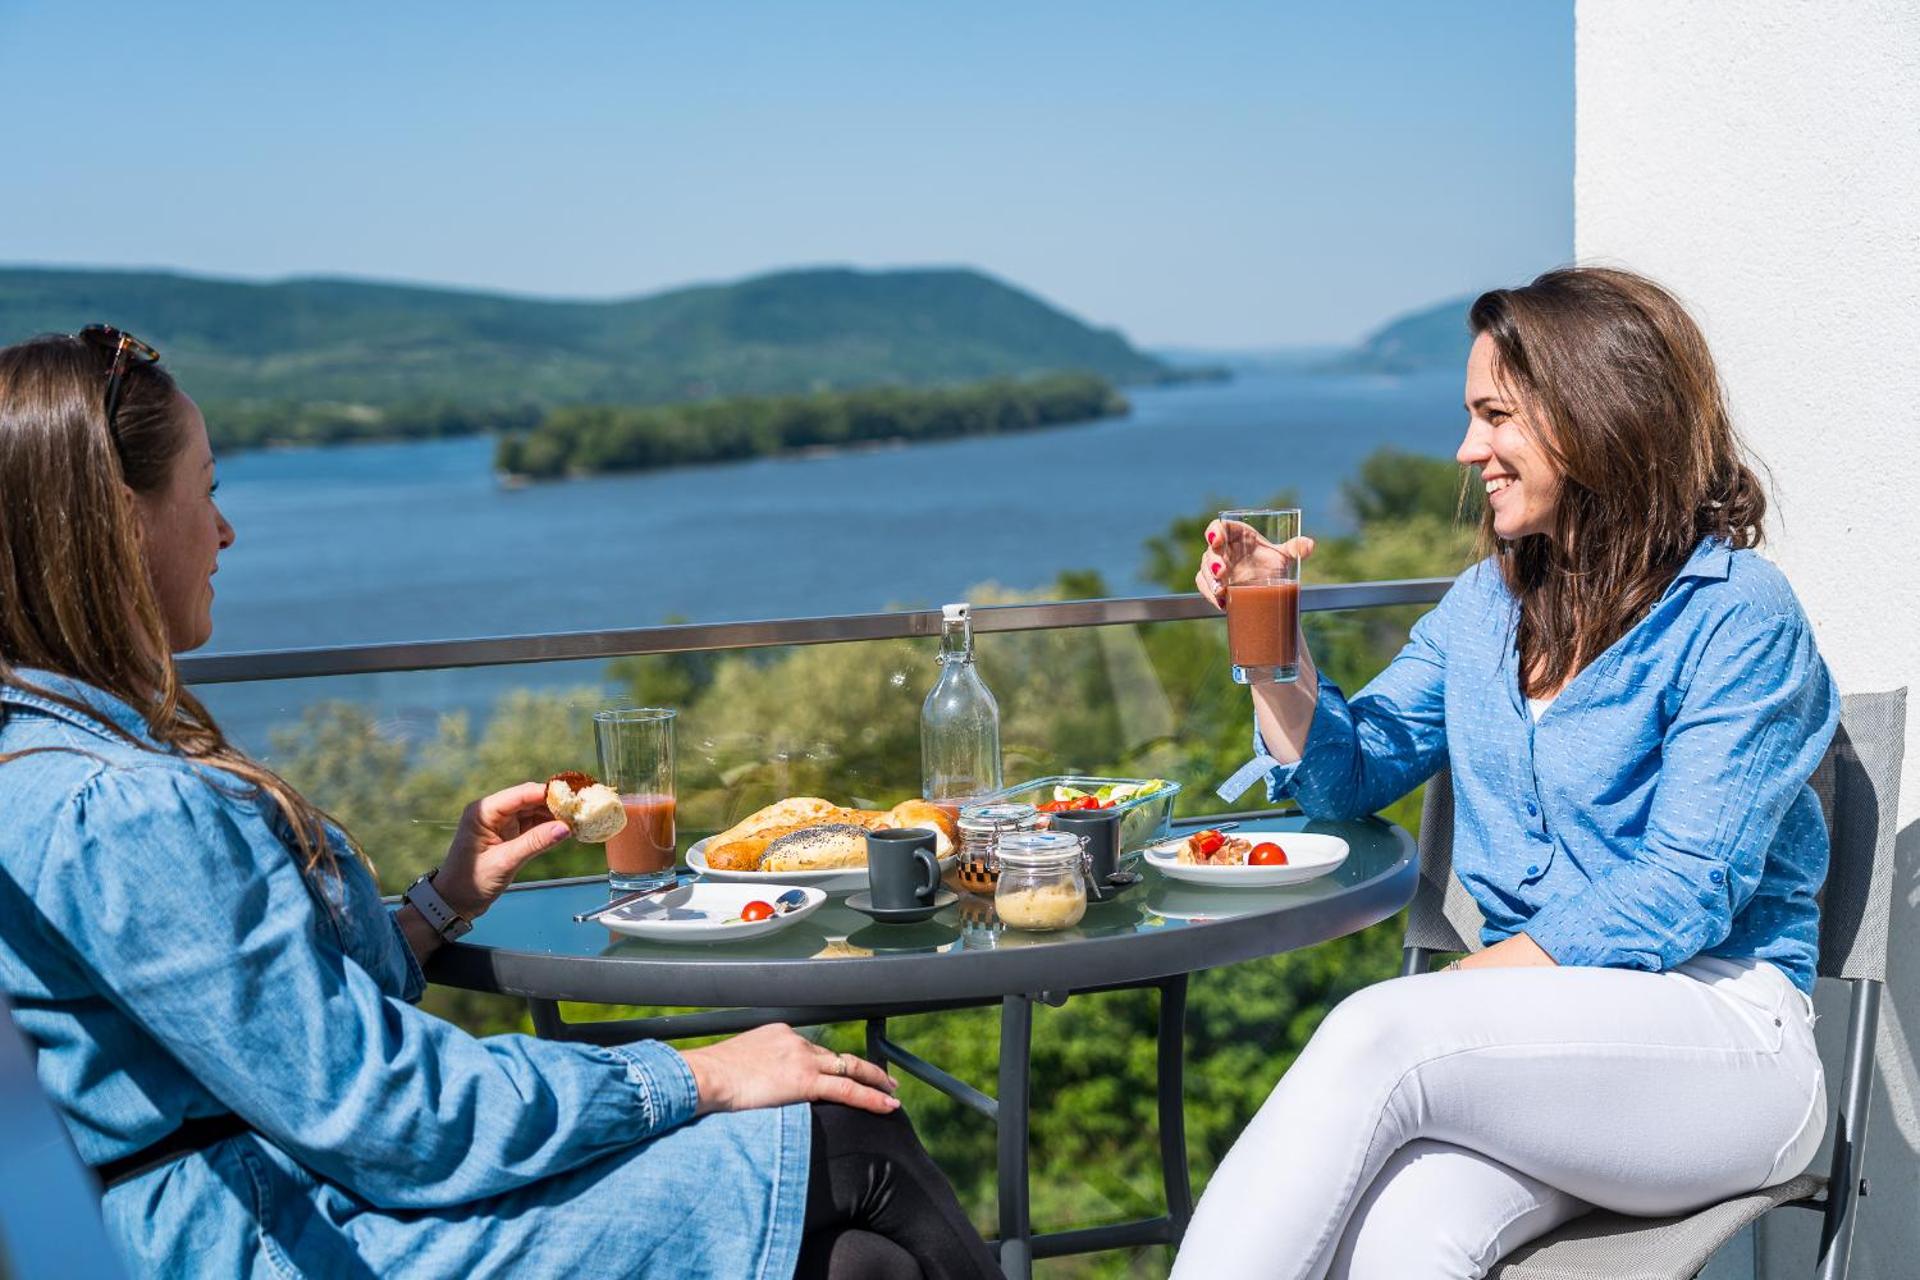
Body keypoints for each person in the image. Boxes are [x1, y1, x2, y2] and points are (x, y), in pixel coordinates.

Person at [0, 329, 1001, 1280]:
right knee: (841, 1130)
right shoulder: (123, 809)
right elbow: (388, 1114)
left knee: (858, 1262)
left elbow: (270, 1033)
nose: (225, 530)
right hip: (282, 1235)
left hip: (249, 1205)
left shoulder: (37, 763)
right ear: (122, 524)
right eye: (207, 490)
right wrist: (700, 1073)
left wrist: (441, 902)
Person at [1173, 268, 1838, 1279]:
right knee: (1399, 1239)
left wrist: (1462, 989)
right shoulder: (1485, 607)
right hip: (1551, 1050)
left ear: (1597, 412)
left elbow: (1685, 885)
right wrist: (1269, 647)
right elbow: (1350, 775)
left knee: (1379, 1031)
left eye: (1495, 415)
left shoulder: (1738, 613)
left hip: (1725, 1039)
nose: (1466, 449)